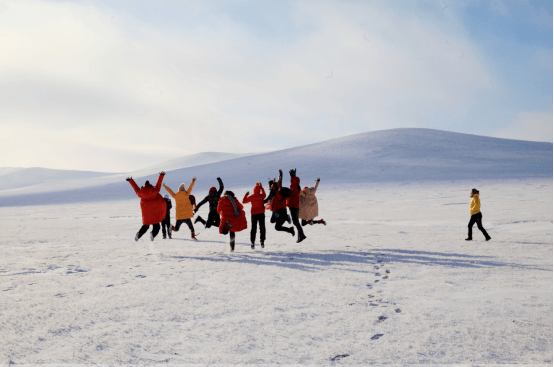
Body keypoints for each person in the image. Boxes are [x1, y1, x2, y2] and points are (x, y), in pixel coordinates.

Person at [126, 172, 167, 241]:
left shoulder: (140, 193)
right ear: (150, 185)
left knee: (146, 226)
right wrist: (161, 175)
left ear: (144, 186)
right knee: (156, 226)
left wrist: (130, 180)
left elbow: (135, 187)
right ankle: (153, 234)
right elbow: (159, 183)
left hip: (147, 214)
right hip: (156, 214)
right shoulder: (155, 190)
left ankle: (138, 235)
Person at [264, 170, 295, 237]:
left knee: (276, 227)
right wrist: (280, 174)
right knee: (272, 221)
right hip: (282, 211)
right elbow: (280, 182)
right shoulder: (281, 191)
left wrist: (260, 201)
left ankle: (290, 228)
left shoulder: (275, 192)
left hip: (279, 212)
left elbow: (268, 199)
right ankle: (289, 227)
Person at [242, 182, 267, 249]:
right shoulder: (261, 196)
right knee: (262, 228)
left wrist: (246, 194)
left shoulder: (252, 196)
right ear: (259, 190)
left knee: (253, 229)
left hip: (254, 214)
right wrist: (262, 188)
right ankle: (262, 241)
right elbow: (265, 195)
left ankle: (252, 242)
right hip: (261, 214)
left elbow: (244, 201)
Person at [286, 168, 307, 243]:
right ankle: (300, 236)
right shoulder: (295, 186)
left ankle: (302, 236)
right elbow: (293, 183)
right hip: (294, 206)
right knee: (296, 222)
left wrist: (293, 177)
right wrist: (292, 177)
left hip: (293, 206)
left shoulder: (295, 187)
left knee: (296, 222)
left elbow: (294, 182)